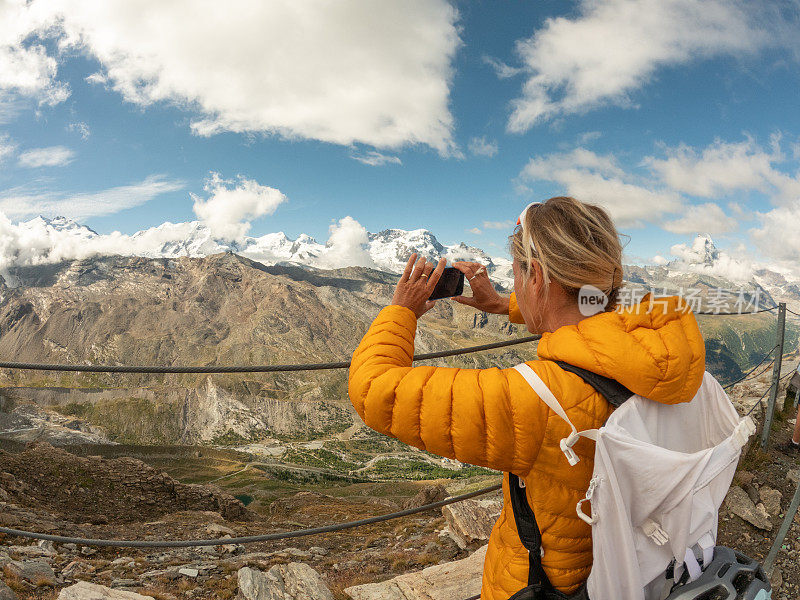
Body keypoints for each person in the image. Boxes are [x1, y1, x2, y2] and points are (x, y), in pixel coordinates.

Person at [348, 196, 706, 599]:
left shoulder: (536, 399)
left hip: (545, 585)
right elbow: (585, 309)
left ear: (535, 274)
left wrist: (402, 311)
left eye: (518, 274)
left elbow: (374, 390)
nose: (515, 283)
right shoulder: (659, 355)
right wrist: (505, 305)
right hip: (622, 563)